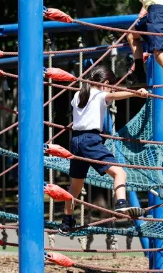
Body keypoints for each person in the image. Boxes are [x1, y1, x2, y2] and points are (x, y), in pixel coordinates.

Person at [59, 65, 149, 234]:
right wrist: (135, 93)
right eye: (110, 86)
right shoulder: (100, 95)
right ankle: (121, 203)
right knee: (120, 173)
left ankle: (66, 221)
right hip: (90, 140)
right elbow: (112, 95)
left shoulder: (79, 95)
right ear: (106, 83)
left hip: (76, 141)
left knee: (75, 185)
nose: (111, 89)